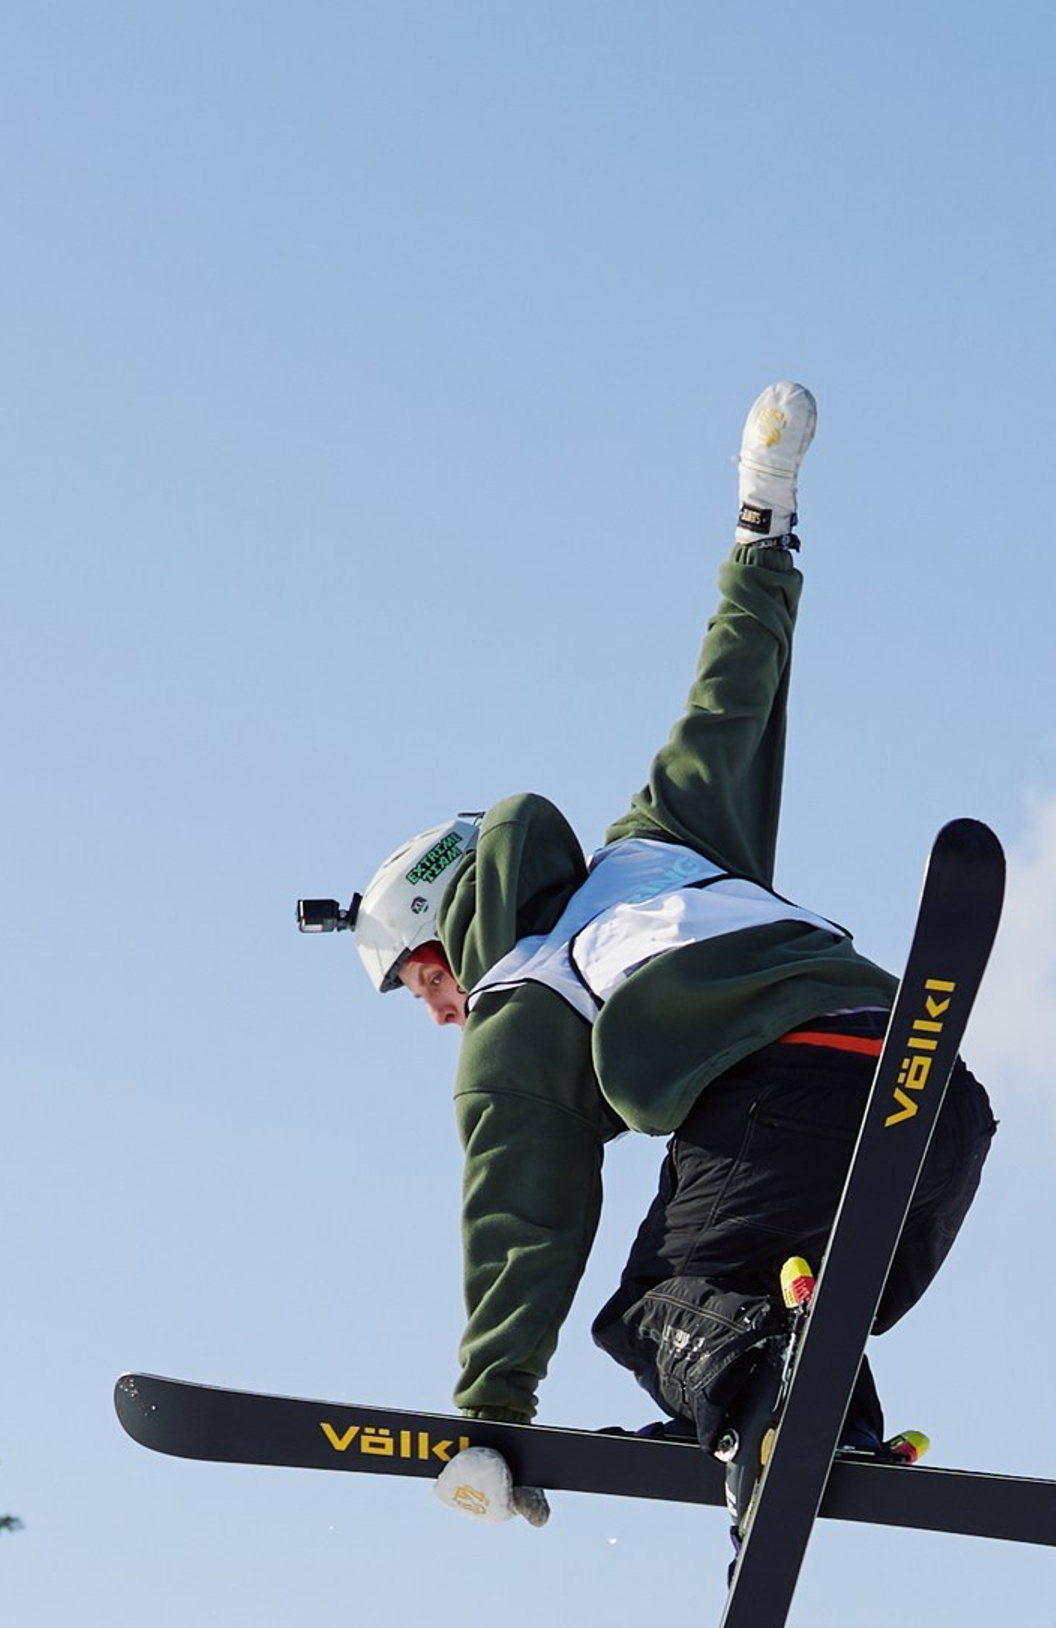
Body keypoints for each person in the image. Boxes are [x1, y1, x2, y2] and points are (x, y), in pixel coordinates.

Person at [328, 383, 995, 1530]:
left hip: (786, 1097)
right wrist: (762, 524)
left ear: (448, 928)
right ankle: (808, 1421)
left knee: (654, 1309)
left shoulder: (520, 996)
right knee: (770, 1304)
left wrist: (491, 1418)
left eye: (425, 980)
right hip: (932, 1100)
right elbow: (729, 697)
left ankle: (754, 1405)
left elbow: (523, 1221)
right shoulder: (662, 844)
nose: (439, 1012)